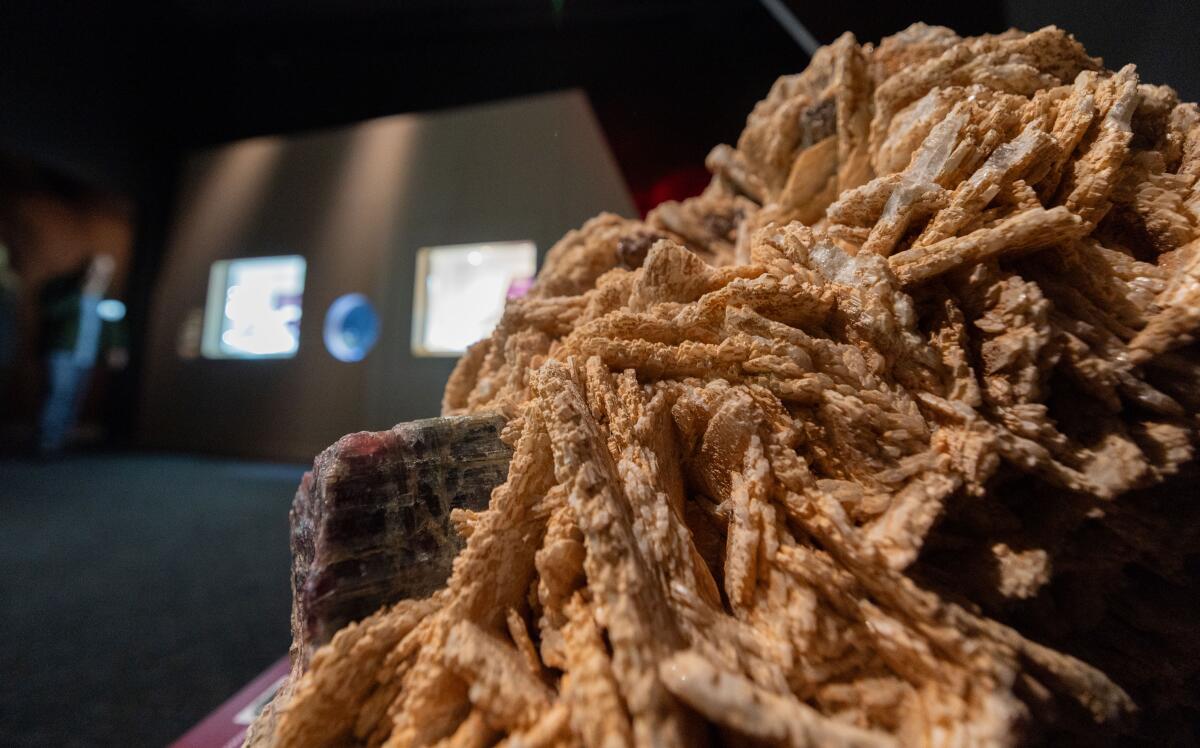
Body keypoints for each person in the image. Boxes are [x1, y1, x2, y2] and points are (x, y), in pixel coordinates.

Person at [37, 253, 114, 454]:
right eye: (98, 271)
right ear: (88, 269)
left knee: (76, 397)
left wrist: (116, 346)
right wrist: (82, 295)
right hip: (63, 353)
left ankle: (62, 438)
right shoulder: (66, 289)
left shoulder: (106, 298)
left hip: (87, 355)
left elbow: (113, 325)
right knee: (60, 393)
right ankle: (48, 439)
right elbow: (52, 312)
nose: (102, 276)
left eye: (107, 272)